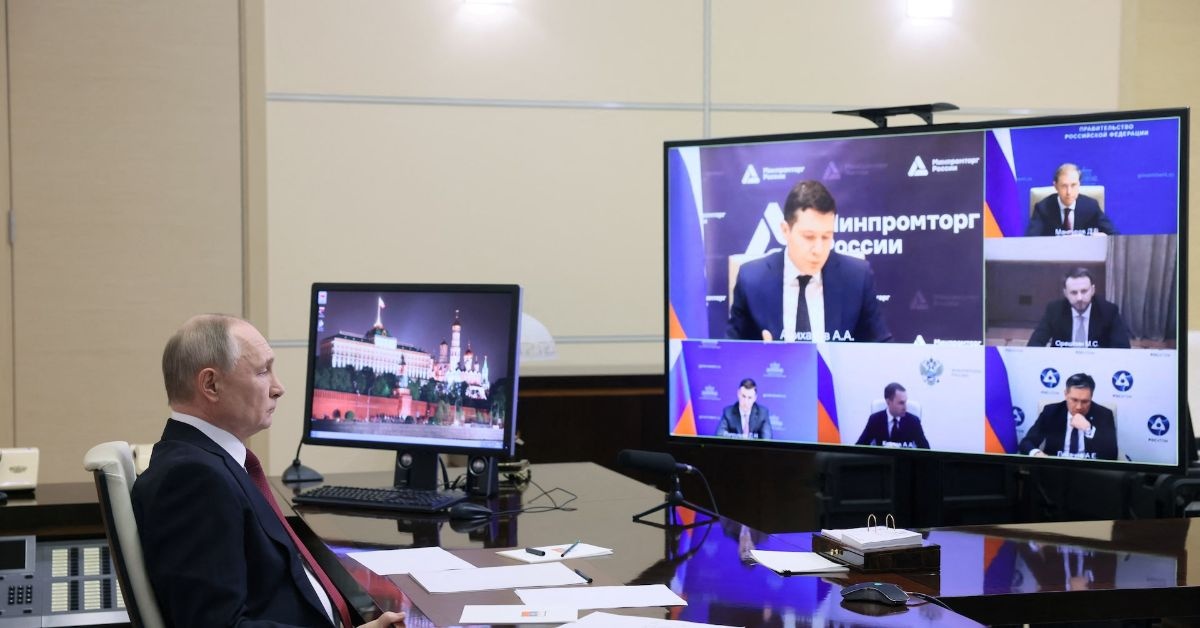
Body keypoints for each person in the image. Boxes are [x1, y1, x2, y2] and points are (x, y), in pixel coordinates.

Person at [132, 314, 405, 628]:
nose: (279, 388)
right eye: (263, 371)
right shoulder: (193, 479)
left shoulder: (208, 462)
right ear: (211, 385)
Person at [725, 180, 891, 343]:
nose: (818, 249)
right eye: (809, 237)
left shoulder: (857, 278)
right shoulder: (751, 280)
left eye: (826, 237)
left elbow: (882, 348)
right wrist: (761, 355)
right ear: (785, 230)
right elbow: (731, 352)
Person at [1018, 372, 1118, 460]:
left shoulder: (1104, 415)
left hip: (1090, 470)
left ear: (1091, 397)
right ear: (1066, 394)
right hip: (1056, 468)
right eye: (1074, 400)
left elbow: (1112, 455)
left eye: (1085, 401)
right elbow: (1026, 443)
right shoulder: (1051, 412)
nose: (1079, 407)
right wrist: (1037, 454)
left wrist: (1089, 430)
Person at [1027, 268, 1131, 349]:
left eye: (1084, 291)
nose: (1079, 298)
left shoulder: (1109, 311)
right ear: (1065, 293)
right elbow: (1034, 344)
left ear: (1092, 290)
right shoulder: (1054, 310)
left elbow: (1122, 348)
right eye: (1074, 292)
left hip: (1097, 364)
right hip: (1062, 363)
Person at [1025, 163, 1118, 236]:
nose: (1069, 192)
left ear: (1079, 185)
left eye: (1073, 185)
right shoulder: (1043, 208)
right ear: (1056, 186)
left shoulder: (1091, 206)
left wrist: (1104, 237)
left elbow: (1115, 235)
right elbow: (1030, 241)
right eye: (1064, 186)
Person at [854, 383, 930, 449]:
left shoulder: (913, 421)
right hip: (883, 460)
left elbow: (926, 450)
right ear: (888, 402)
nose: (905, 407)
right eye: (901, 403)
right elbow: (859, 447)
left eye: (905, 402)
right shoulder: (875, 419)